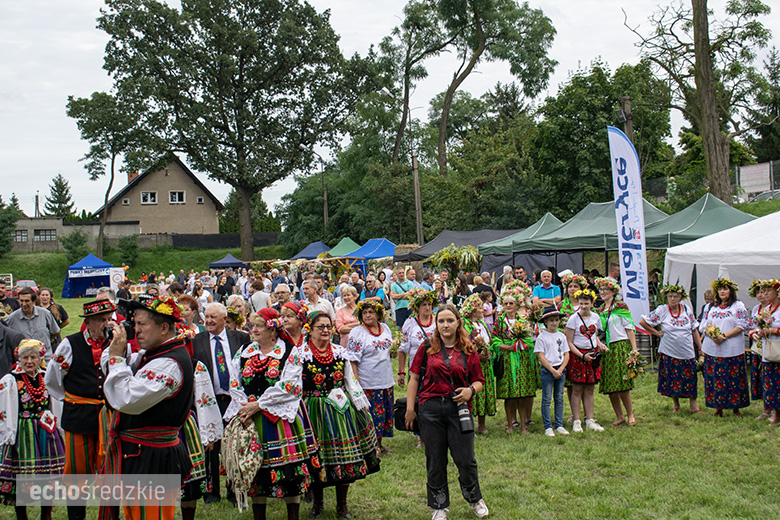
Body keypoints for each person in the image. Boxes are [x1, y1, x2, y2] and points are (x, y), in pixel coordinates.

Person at [100, 296, 194, 520]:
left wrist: (115, 357)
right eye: (135, 324)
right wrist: (116, 351)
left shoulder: (169, 364)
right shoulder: (151, 355)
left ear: (163, 328)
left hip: (153, 457)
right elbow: (111, 371)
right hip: (139, 454)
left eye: (142, 324)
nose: (136, 330)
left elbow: (126, 399)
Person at [221, 308, 320, 520]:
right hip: (250, 417)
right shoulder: (245, 351)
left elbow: (290, 385)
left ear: (272, 329)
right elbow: (234, 380)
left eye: (258, 325)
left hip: (278, 419)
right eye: (252, 325)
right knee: (256, 470)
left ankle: (292, 515)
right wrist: (245, 405)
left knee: (288, 473)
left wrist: (259, 405)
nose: (253, 329)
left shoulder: (289, 351)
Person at [404, 304, 488, 520]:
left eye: (450, 320)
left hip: (458, 409)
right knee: (435, 459)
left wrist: (471, 391)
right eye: (441, 321)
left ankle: (474, 498)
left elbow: (479, 380)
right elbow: (414, 378)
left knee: (465, 459)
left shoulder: (468, 350)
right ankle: (439, 505)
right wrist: (411, 409)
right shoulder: (426, 347)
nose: (445, 325)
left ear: (458, 322)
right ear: (436, 323)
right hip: (430, 409)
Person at [45, 299, 121, 520]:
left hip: (108, 418)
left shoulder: (115, 344)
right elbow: (53, 380)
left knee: (110, 472)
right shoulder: (70, 344)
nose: (107, 324)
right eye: (101, 320)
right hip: (78, 417)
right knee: (77, 474)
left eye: (109, 319)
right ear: (88, 323)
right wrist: (73, 399)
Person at [301, 312, 380, 518]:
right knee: (317, 456)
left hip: (339, 409)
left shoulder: (339, 352)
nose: (326, 330)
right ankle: (317, 504)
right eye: (321, 327)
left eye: (328, 326)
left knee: (344, 457)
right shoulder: (301, 354)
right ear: (310, 329)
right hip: (314, 410)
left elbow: (350, 381)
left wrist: (361, 405)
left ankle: (342, 505)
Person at [192, 302, 251, 504]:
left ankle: (235, 492)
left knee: (233, 446)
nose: (208, 321)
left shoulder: (241, 338)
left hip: (234, 401)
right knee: (211, 447)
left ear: (225, 319)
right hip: (210, 401)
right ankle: (212, 492)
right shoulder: (196, 341)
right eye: (206, 317)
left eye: (213, 317)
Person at [0, 339, 64, 520]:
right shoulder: (11, 380)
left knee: (48, 475)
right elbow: (5, 408)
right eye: (25, 357)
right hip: (23, 431)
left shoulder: (46, 376)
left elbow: (56, 402)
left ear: (40, 358)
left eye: (33, 357)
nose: (29, 361)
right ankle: (22, 515)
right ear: (19, 359)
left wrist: (58, 428)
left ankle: (46, 514)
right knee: (22, 474)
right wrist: (8, 434)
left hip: (46, 431)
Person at [640, 284, 704, 414]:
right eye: (670, 296)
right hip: (669, 351)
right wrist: (656, 333)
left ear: (680, 298)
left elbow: (694, 329)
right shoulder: (662, 310)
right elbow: (643, 322)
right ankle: (676, 405)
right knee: (673, 378)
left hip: (687, 351)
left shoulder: (686, 310)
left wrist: (700, 347)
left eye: (675, 296)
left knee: (691, 378)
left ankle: (694, 406)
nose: (672, 299)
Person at [345, 300, 394, 455]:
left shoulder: (385, 328)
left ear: (378, 315)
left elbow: (388, 351)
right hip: (368, 382)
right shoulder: (357, 332)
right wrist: (356, 383)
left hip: (385, 379)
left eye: (370, 312)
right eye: (364, 313)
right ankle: (369, 446)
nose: (367, 315)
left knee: (383, 415)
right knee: (370, 416)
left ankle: (379, 445)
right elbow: (352, 360)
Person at [698, 278, 751, 417]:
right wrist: (712, 334)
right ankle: (718, 407)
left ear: (731, 291)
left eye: (725, 289)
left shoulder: (738, 306)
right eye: (720, 289)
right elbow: (703, 325)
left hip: (732, 349)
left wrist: (724, 335)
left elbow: (742, 324)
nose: (722, 292)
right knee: (716, 378)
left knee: (734, 378)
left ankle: (735, 408)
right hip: (713, 348)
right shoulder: (710, 307)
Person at [491, 281, 537, 434]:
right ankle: (510, 424)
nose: (509, 306)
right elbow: (495, 340)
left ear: (517, 305)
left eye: (511, 303)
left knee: (522, 394)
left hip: (521, 361)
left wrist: (522, 344)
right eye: (506, 303)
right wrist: (508, 347)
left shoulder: (523, 321)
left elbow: (530, 340)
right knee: (509, 396)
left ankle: (523, 425)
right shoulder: (499, 321)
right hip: (506, 360)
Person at [595, 277, 639, 426]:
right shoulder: (600, 310)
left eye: (605, 289)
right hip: (606, 348)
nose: (602, 292)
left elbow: (629, 328)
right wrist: (599, 344)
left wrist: (634, 349)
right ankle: (619, 416)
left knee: (623, 383)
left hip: (620, 346)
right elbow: (597, 331)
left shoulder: (621, 307)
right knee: (610, 384)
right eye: (600, 290)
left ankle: (630, 414)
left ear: (613, 291)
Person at [564, 289, 606, 433]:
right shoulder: (573, 319)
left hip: (592, 354)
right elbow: (569, 342)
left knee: (590, 389)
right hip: (578, 355)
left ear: (592, 303)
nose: (583, 306)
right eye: (581, 303)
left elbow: (594, 335)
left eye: (586, 303)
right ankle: (576, 420)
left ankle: (589, 419)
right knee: (577, 389)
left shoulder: (595, 317)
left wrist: (599, 344)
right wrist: (582, 356)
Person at [461, 294, 496, 435]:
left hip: (485, 364)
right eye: (480, 308)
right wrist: (477, 355)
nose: (483, 310)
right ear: (473, 310)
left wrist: (488, 353)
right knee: (472, 392)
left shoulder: (482, 324)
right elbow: (465, 343)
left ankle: (482, 424)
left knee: (484, 391)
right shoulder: (465, 324)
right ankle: (469, 422)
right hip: (472, 364)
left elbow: (490, 341)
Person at [535, 307, 570, 437]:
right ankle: (548, 426)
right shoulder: (542, 337)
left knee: (559, 398)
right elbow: (541, 356)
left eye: (556, 320)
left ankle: (559, 424)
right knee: (547, 398)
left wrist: (560, 369)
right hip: (547, 371)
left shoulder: (562, 336)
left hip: (560, 369)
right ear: (545, 322)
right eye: (551, 321)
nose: (554, 323)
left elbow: (566, 354)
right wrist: (552, 370)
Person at [559, 273, 588, 419]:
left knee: (585, 382)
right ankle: (573, 413)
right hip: (568, 346)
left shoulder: (585, 304)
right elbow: (556, 325)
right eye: (570, 286)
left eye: (575, 286)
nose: (572, 289)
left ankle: (587, 412)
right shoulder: (562, 305)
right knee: (571, 382)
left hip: (584, 346)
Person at [751, 279, 780, 426]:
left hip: (778, 349)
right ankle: (773, 412)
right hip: (768, 351)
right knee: (770, 382)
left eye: (769, 290)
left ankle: (777, 416)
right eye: (764, 291)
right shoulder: (766, 309)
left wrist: (772, 330)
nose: (765, 293)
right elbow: (758, 325)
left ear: (777, 292)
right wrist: (757, 332)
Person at [398, 289, 438, 390]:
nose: (427, 308)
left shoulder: (438, 321)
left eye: (429, 304)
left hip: (436, 369)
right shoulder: (410, 323)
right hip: (416, 370)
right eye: (424, 305)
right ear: (417, 307)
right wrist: (401, 372)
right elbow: (402, 349)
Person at [5, 288, 60, 361]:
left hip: (45, 361)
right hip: (24, 362)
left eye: (27, 301)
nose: (24, 304)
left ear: (34, 301)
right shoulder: (11, 319)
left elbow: (56, 332)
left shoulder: (45, 314)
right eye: (21, 301)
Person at [747, 281, 772, 420]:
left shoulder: (773, 308)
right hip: (758, 347)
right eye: (758, 292)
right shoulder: (756, 308)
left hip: (771, 346)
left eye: (763, 292)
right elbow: (751, 326)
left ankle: (775, 410)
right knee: (762, 378)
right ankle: (766, 409)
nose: (761, 295)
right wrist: (753, 334)